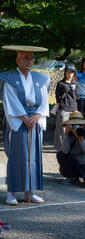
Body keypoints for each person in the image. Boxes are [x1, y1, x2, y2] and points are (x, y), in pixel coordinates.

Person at [0, 45, 50, 205]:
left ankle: (30, 191)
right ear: (18, 60)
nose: (29, 61)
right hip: (18, 121)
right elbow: (10, 100)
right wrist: (23, 117)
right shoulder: (10, 78)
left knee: (33, 157)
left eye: (32, 58)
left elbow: (44, 100)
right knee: (16, 157)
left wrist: (36, 116)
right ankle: (11, 192)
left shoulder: (39, 78)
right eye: (25, 58)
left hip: (34, 121)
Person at [54, 64, 78, 150]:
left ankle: (71, 147)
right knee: (61, 130)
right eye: (68, 71)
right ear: (65, 72)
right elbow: (57, 96)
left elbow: (76, 96)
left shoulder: (75, 83)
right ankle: (59, 148)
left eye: (72, 72)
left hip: (74, 109)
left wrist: (76, 109)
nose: (70, 74)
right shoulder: (60, 83)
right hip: (64, 109)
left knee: (74, 130)